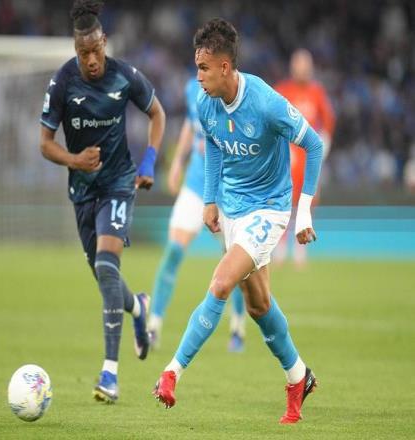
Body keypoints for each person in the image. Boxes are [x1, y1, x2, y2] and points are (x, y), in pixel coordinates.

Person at [153, 18, 323, 424]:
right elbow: (212, 144)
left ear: (225, 67)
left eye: (204, 68)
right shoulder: (206, 103)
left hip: (269, 208)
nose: (198, 77)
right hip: (232, 207)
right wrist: (210, 200)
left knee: (221, 282)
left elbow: (314, 144)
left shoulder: (264, 102)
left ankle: (171, 373)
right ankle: (298, 375)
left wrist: (302, 211)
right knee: (259, 304)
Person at [39, 0, 165, 404]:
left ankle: (110, 374)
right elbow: (44, 144)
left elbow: (158, 114)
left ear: (104, 42)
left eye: (95, 51)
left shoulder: (124, 75)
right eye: (83, 53)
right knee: (104, 277)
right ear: (76, 50)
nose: (91, 60)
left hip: (119, 185)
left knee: (108, 268)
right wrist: (74, 160)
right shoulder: (62, 83)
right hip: (82, 192)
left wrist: (149, 161)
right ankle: (138, 307)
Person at [148, 76, 246, 353]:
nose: (201, 69)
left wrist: (220, 144)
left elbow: (247, 137)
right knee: (174, 250)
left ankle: (237, 326)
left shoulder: (239, 91)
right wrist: (178, 163)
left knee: (235, 261)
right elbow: (191, 126)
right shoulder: (192, 88)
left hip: (229, 189)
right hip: (195, 184)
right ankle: (153, 326)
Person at [273, 49, 335, 267]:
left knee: (308, 202)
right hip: (287, 157)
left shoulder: (317, 92)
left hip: (308, 157)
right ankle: (280, 246)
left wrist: (324, 142)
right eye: (298, 64)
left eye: (305, 65)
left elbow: (328, 119)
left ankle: (301, 247)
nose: (302, 69)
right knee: (282, 200)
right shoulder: (282, 90)